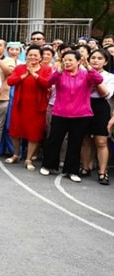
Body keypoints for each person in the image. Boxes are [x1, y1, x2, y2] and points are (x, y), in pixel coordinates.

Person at [40, 51, 103, 183]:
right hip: (60, 113)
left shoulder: (86, 74)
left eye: (70, 60)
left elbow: (99, 80)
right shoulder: (60, 73)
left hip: (81, 115)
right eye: (65, 60)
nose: (67, 62)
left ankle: (72, 170)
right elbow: (47, 83)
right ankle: (48, 165)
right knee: (54, 140)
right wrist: (58, 71)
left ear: (79, 61)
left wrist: (89, 67)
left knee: (75, 143)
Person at [6, 45, 53, 170]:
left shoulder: (46, 69)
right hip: (20, 104)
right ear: (26, 56)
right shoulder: (20, 68)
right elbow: (10, 81)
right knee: (15, 131)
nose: (32, 57)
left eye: (35, 55)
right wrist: (24, 75)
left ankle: (28, 159)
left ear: (40, 57)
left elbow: (47, 84)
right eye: (30, 55)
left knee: (34, 133)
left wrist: (34, 74)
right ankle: (16, 154)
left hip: (37, 106)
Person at [79, 49, 114, 185]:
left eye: (100, 58)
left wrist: (95, 81)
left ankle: (102, 171)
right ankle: (85, 167)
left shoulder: (110, 77)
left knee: (101, 141)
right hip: (83, 105)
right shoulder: (81, 72)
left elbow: (106, 94)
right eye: (93, 57)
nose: (95, 60)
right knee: (85, 139)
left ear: (105, 61)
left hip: (101, 107)